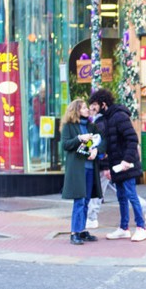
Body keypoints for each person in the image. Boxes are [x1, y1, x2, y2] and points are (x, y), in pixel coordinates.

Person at [88, 88, 146, 241]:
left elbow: (132, 139)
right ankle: (124, 228)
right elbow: (109, 145)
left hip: (126, 164)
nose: (93, 108)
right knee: (121, 196)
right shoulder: (106, 119)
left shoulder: (119, 116)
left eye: (95, 104)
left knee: (131, 195)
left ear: (103, 104)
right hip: (116, 165)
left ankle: (141, 227)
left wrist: (127, 161)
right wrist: (108, 166)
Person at [60, 99, 103, 245]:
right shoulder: (69, 126)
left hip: (90, 167)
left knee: (86, 201)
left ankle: (82, 230)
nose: (87, 109)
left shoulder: (91, 126)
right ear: (76, 110)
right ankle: (74, 232)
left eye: (86, 107)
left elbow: (99, 142)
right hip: (78, 168)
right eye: (84, 108)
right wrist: (79, 138)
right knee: (79, 200)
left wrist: (95, 150)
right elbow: (65, 144)